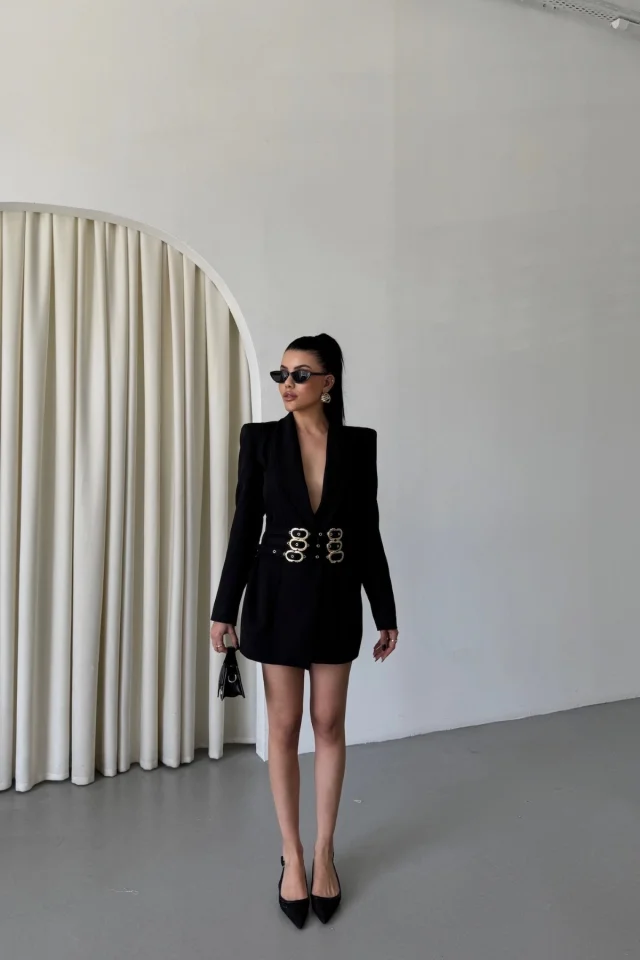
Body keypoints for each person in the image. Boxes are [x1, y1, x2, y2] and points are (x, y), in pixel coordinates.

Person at [210, 333, 398, 929]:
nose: (286, 385)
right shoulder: (261, 440)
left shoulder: (358, 444)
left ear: (328, 383)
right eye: (281, 374)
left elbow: (366, 531)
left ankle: (324, 852)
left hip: (337, 598)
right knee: (285, 726)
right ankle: (291, 855)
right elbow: (245, 527)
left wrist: (386, 610)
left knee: (329, 723)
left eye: (299, 374)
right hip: (276, 598)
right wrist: (224, 608)